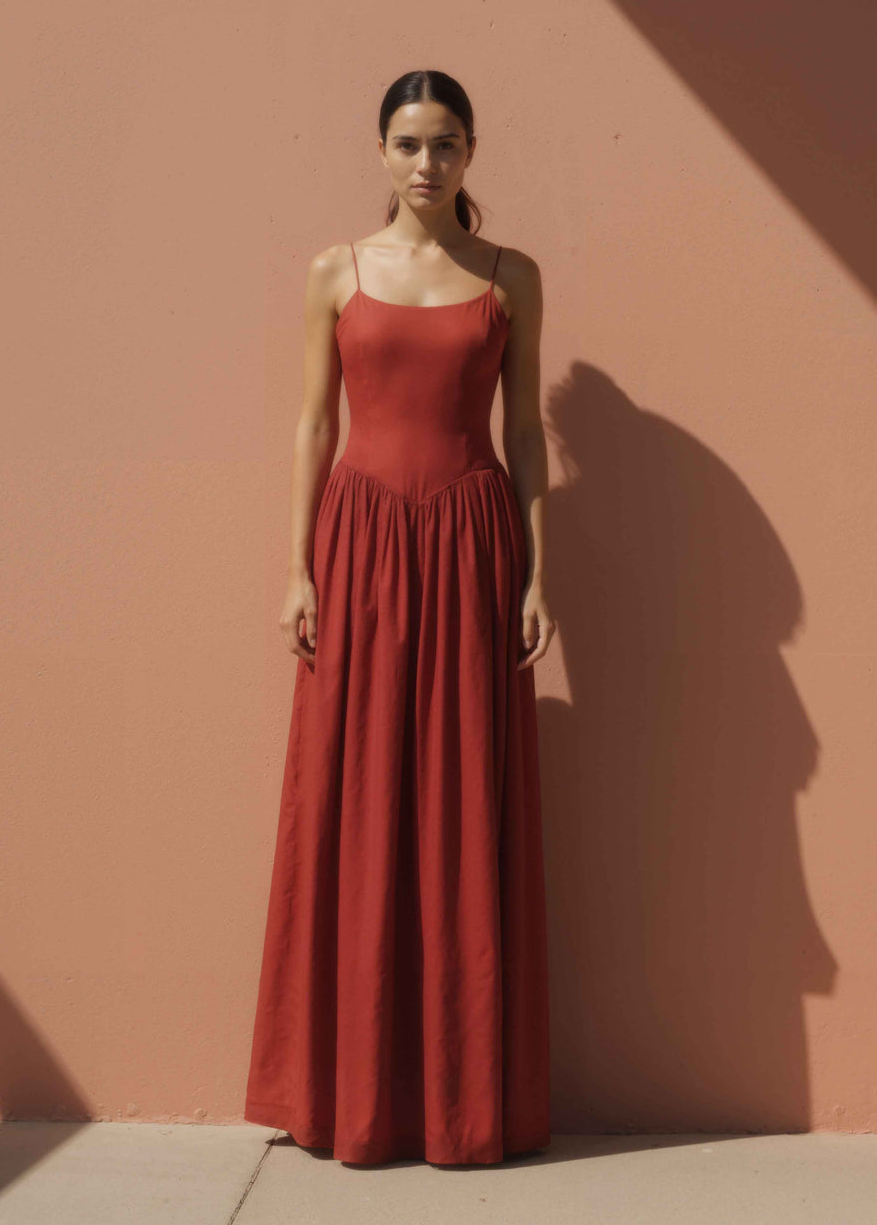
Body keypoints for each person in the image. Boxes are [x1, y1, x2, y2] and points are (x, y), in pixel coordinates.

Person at [244, 69, 556, 1165]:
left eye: (448, 143)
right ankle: (348, 1097)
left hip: (470, 545)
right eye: (410, 141)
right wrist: (297, 568)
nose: (429, 161)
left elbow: (524, 434)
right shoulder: (338, 271)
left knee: (461, 799)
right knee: (354, 794)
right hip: (361, 545)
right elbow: (310, 425)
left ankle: (463, 1102)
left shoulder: (509, 276)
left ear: (472, 153)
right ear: (380, 151)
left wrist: (532, 574)